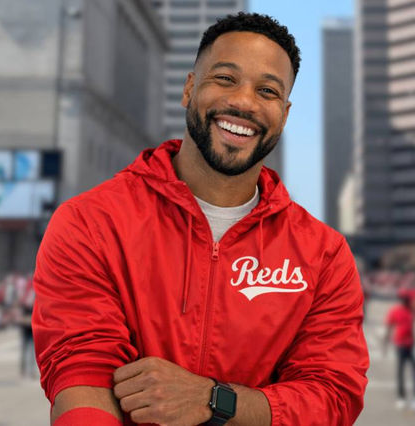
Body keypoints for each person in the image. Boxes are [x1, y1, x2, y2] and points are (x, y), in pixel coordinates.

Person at [32, 12, 368, 426]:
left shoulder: (325, 254)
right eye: (225, 79)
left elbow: (332, 396)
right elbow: (81, 371)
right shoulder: (90, 222)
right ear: (190, 88)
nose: (244, 102)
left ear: (284, 112)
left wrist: (215, 400)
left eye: (267, 90)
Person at [385, 289, 415, 409]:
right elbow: (389, 326)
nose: (406, 301)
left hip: (413, 345)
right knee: (401, 371)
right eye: (404, 299)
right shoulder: (396, 311)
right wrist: (385, 343)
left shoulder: (414, 311)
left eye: (407, 299)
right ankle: (401, 396)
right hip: (401, 344)